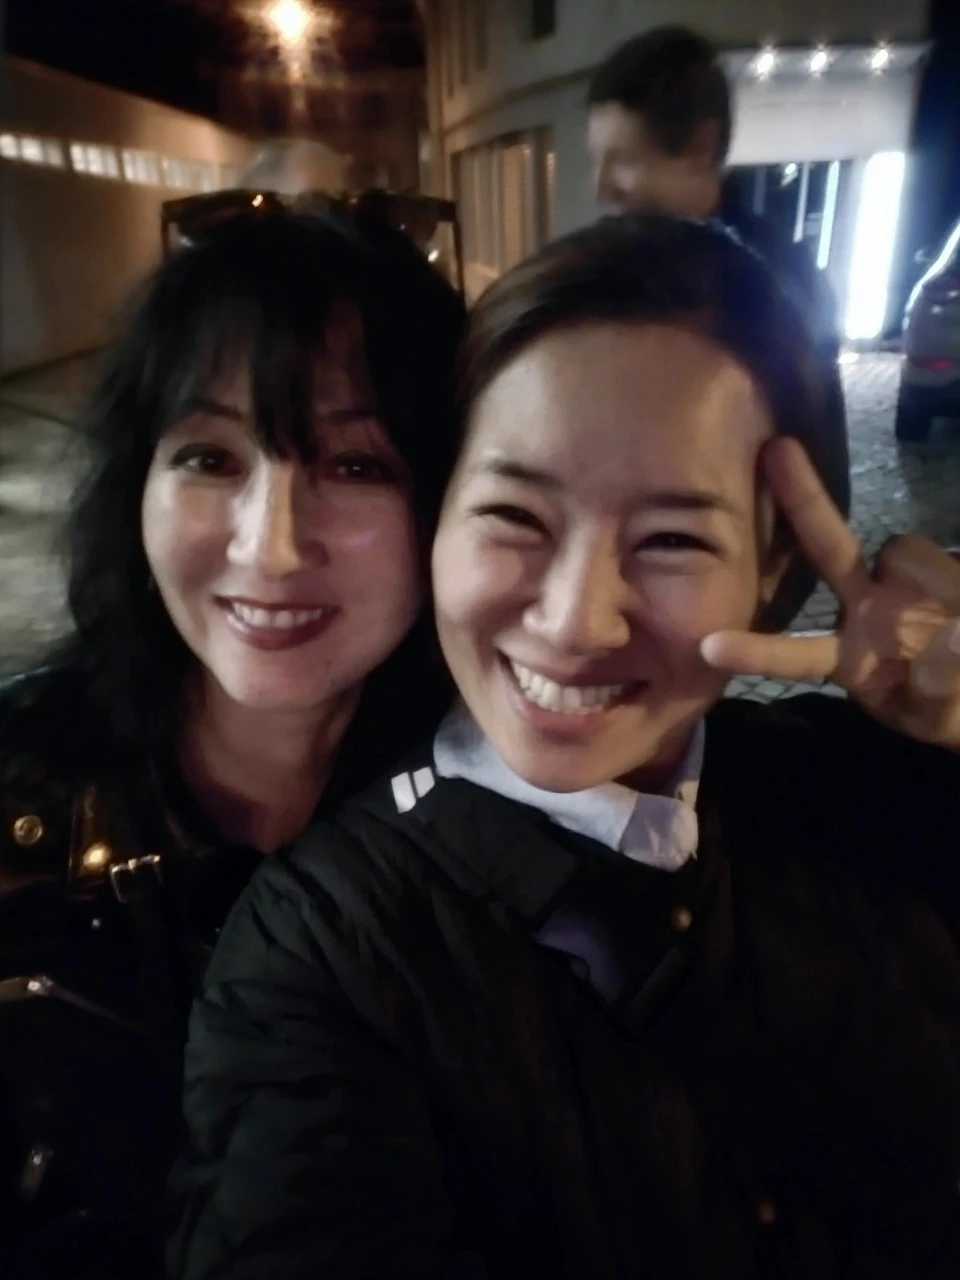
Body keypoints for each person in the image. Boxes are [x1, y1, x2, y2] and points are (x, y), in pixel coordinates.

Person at [173, 218, 960, 1279]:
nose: (575, 620)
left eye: (672, 538)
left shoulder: (865, 790)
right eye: (515, 516)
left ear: (775, 568)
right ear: (437, 525)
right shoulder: (324, 951)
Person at [0, 207, 464, 1279]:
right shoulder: (19, 786)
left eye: (356, 464)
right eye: (210, 455)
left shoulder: (497, 823)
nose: (271, 545)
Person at [586, 25, 848, 508]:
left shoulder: (777, 283)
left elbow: (818, 474)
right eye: (595, 161)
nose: (600, 188)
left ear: (702, 149)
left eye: (623, 160)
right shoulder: (619, 266)